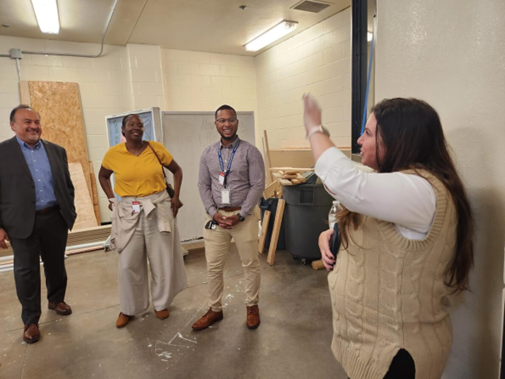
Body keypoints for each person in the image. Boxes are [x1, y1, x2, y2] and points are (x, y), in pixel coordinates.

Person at [303, 95, 474, 379]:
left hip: (396, 357)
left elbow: (347, 184)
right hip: (371, 350)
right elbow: (378, 226)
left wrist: (314, 128)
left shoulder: (422, 190)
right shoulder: (400, 183)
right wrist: (333, 234)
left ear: (398, 141)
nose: (360, 140)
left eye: (368, 133)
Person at [98, 114, 187, 328]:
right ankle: (129, 308)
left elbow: (177, 170)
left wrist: (175, 197)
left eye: (140, 125)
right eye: (131, 125)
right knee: (128, 262)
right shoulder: (114, 153)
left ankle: (161, 303)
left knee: (161, 258)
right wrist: (111, 199)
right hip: (129, 210)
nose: (136, 127)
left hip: (157, 206)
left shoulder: (156, 148)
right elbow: (103, 176)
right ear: (123, 130)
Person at [0, 105, 76, 344]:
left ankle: (56, 299)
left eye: (36, 121)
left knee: (56, 263)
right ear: (13, 125)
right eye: (26, 122)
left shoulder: (57, 151)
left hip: (54, 217)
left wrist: (68, 210)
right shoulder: (2, 153)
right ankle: (31, 319)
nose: (33, 126)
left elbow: (67, 184)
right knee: (26, 271)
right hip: (20, 222)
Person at [193, 104, 265, 331]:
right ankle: (215, 309)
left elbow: (257, 185)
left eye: (231, 120)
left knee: (250, 264)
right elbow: (203, 185)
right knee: (213, 267)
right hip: (216, 218)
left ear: (237, 123)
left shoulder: (250, 152)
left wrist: (241, 215)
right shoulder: (207, 153)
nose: (226, 124)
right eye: (222, 120)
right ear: (216, 124)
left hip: (243, 217)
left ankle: (252, 306)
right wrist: (213, 212)